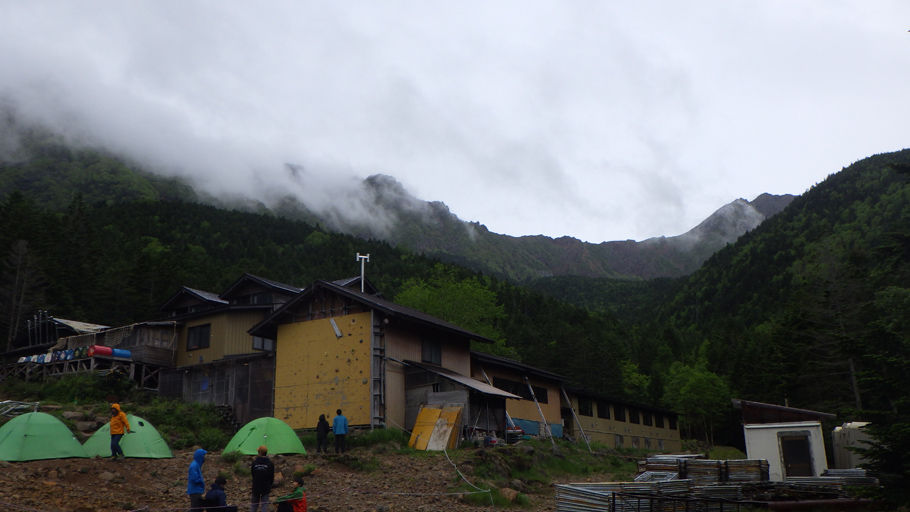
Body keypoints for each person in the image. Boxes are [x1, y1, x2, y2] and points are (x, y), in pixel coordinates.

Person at [249, 445, 274, 512]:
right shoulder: (270, 463)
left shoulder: (254, 463)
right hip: (266, 487)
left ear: (259, 452)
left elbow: (253, 474)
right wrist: (270, 485)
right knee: (264, 505)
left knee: (254, 505)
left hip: (256, 486)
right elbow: (271, 476)